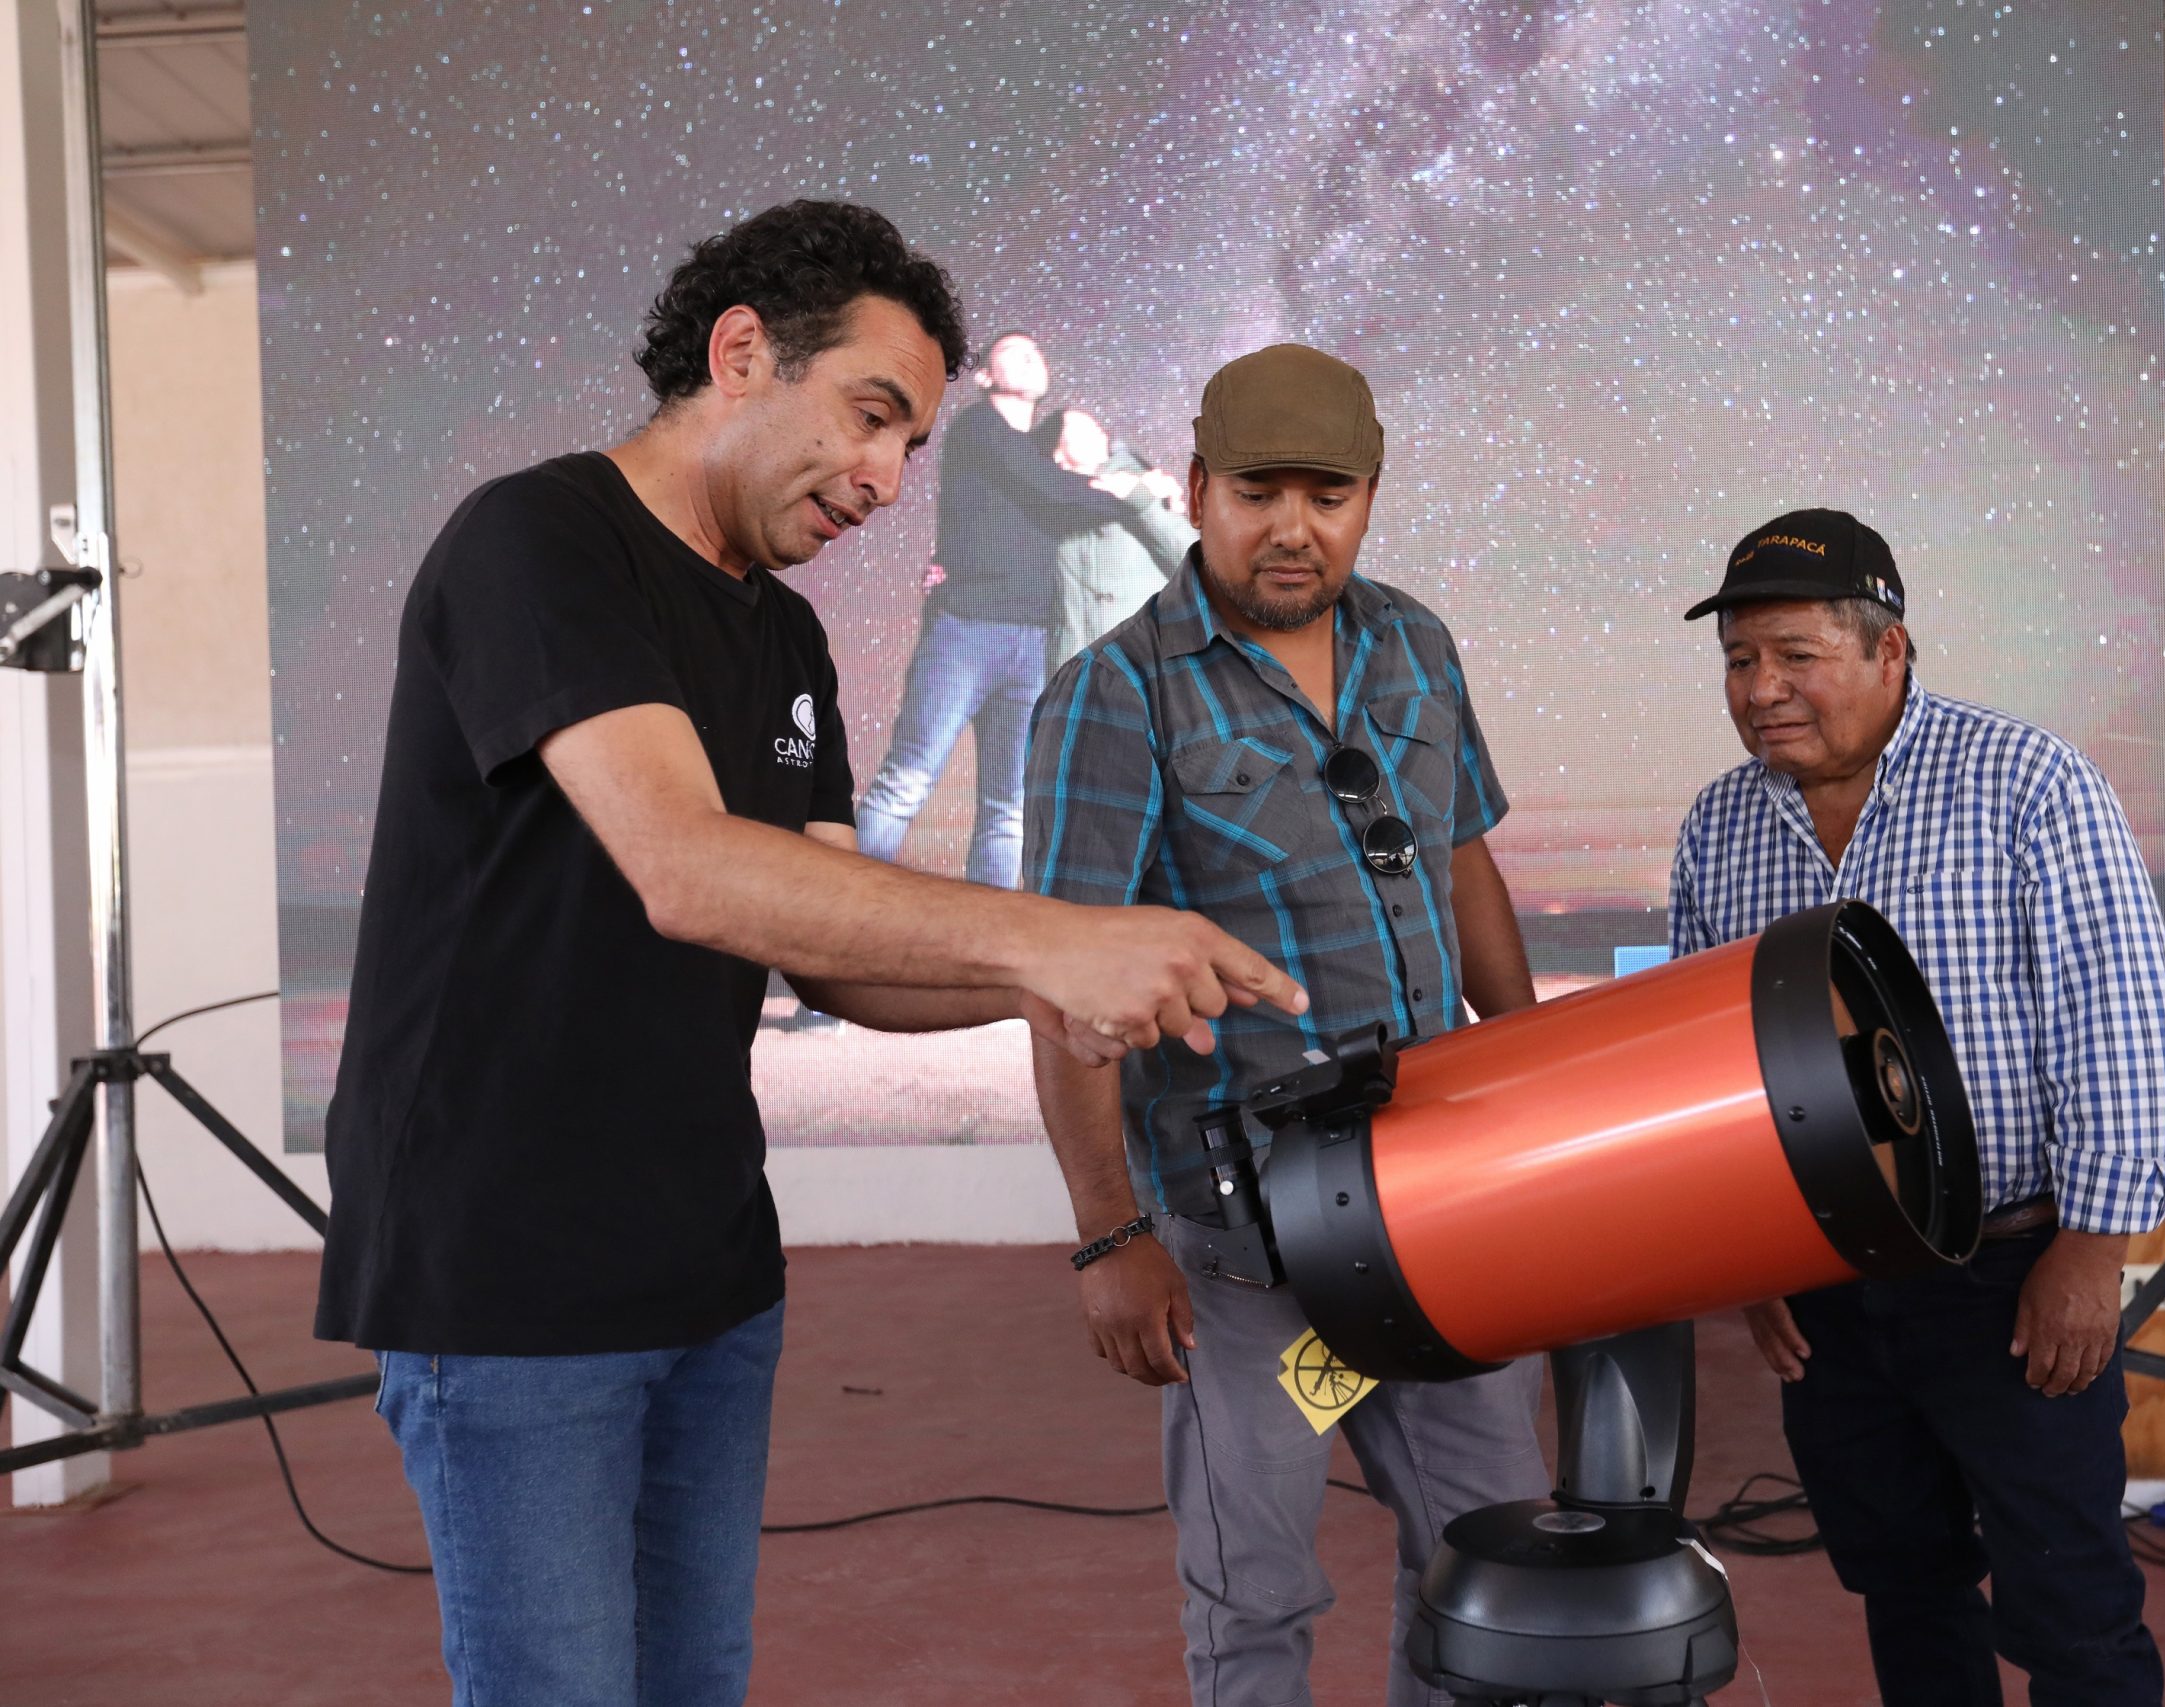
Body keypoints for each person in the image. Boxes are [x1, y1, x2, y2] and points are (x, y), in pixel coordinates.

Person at [315, 201, 1305, 1707]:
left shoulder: (784, 638)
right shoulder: (539, 540)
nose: (888, 480)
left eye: (911, 444)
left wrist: (1057, 979)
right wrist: (1056, 935)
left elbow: (838, 944)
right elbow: (688, 866)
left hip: (709, 1273)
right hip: (506, 1279)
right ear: (740, 354)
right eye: (870, 416)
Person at [1024, 343, 1551, 1707]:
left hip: (1443, 1204)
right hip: (1248, 1244)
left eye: (1329, 495)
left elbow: (1464, 863)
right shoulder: (1116, 694)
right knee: (1253, 1592)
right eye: (1259, 493)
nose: (1293, 528)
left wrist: (1540, 1085)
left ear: (1371, 495)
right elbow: (1068, 986)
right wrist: (1111, 1234)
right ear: (1198, 488)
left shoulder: (1416, 644)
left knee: (1492, 1559)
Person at [1666, 508, 2165, 1707]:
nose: (1760, 690)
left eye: (1795, 656)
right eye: (1739, 661)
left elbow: (2120, 1025)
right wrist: (1749, 1260)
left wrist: (2090, 1254)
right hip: (1828, 1288)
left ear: (1889, 650)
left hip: (2007, 1275)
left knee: (2071, 1610)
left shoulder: (2025, 783)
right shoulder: (1719, 825)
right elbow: (1707, 1071)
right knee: (1904, 1588)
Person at [854, 330, 1161, 887]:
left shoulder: (1045, 457)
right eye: (1013, 353)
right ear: (985, 377)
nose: (1030, 358)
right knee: (906, 781)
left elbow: (1066, 495)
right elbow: (1051, 490)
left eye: (1035, 353)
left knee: (1009, 807)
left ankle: (987, 929)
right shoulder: (979, 428)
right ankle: (844, 908)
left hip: (1034, 643)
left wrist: (1135, 489)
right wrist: (1132, 490)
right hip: (967, 631)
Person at [1032, 405, 1194, 673]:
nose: (1098, 431)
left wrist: (1143, 502)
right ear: (1057, 452)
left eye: (1096, 426)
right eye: (1081, 429)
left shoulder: (1144, 487)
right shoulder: (1043, 507)